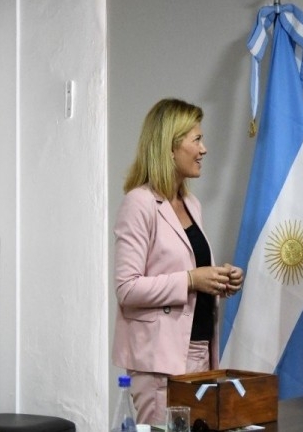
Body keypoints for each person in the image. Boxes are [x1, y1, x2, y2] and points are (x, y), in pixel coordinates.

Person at [111, 98, 244, 425]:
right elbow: (126, 288)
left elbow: (189, 270)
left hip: (200, 352)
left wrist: (217, 280)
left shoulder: (191, 203)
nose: (204, 149)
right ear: (170, 148)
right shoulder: (139, 203)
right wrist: (190, 280)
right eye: (196, 139)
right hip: (159, 361)